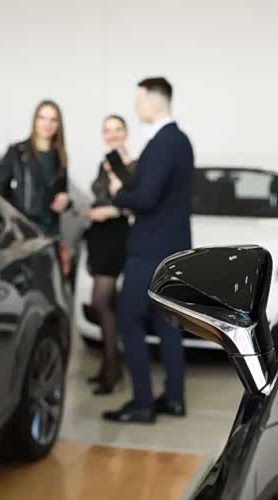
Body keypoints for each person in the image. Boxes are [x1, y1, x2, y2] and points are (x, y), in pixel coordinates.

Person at [102, 77, 194, 424]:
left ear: (154, 102)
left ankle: (142, 404)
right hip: (172, 249)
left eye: (139, 99)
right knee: (166, 323)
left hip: (150, 250)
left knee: (128, 320)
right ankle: (174, 399)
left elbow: (146, 197)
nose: (136, 106)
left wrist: (117, 192)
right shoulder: (180, 141)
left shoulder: (162, 143)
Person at [84, 115, 134, 395]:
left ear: (125, 133)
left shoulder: (133, 165)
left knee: (100, 302)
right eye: (108, 130)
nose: (112, 134)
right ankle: (109, 366)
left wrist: (106, 211)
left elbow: (132, 205)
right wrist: (92, 211)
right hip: (99, 236)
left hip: (116, 235)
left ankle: (112, 370)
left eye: (117, 129)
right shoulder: (104, 162)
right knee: (108, 305)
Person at [0, 100, 71, 238]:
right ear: (35, 120)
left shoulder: (60, 156)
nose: (47, 124)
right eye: (42, 118)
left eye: (53, 120)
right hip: (24, 232)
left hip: (51, 233)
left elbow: (61, 193)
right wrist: (15, 217)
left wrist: (66, 201)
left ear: (58, 124)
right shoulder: (17, 152)